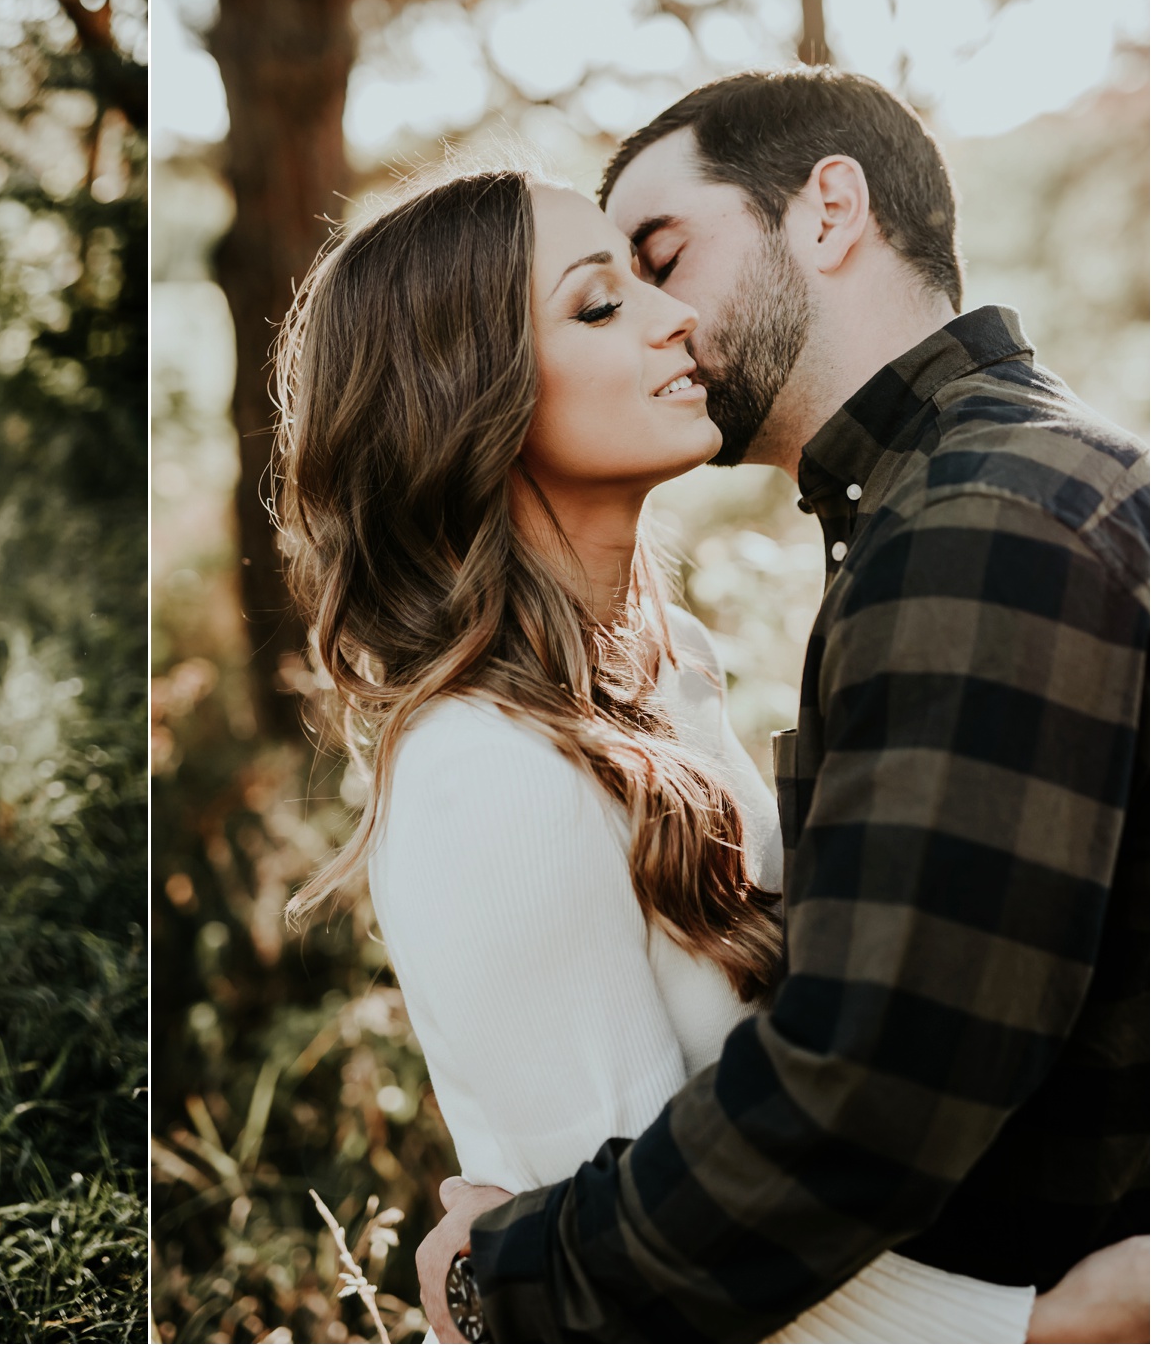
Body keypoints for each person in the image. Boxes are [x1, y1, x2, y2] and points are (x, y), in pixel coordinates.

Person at [391, 71, 1145, 1343]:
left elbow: (866, 1089)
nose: (667, 318)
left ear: (829, 211)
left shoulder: (971, 525)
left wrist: (499, 1283)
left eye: (663, 256)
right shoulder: (1026, 480)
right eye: (605, 292)